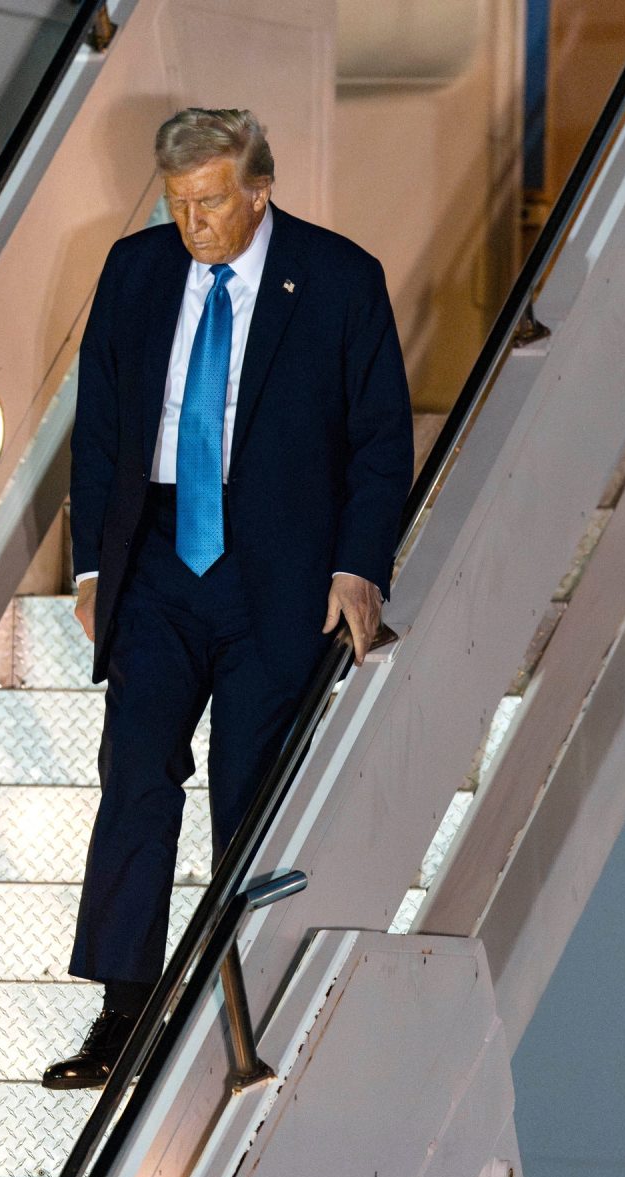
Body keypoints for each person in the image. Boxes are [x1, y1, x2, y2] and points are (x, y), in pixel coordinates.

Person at [44, 107, 413, 1089]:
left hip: (277, 573)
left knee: (247, 794)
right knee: (133, 772)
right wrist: (90, 567)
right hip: (158, 561)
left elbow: (380, 441)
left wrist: (357, 566)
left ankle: (241, 1007)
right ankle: (122, 1012)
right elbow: (103, 426)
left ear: (260, 188)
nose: (192, 221)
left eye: (208, 202)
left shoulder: (337, 280)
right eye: (176, 203)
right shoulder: (134, 270)